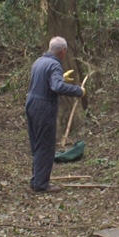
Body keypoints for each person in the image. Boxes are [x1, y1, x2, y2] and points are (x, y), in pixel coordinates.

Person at [25, 36, 85, 193]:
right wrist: (78, 90)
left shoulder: (39, 61)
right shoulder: (54, 64)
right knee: (46, 145)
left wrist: (60, 78)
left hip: (31, 105)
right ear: (63, 51)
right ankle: (41, 184)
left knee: (38, 143)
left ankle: (36, 180)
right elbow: (57, 87)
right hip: (43, 107)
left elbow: (47, 82)